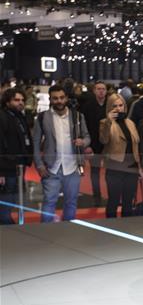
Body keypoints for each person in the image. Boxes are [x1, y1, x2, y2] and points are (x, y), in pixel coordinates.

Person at [33, 85, 90, 222]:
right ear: (50, 99)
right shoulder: (42, 118)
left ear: (66, 98)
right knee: (49, 202)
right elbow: (35, 144)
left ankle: (68, 232)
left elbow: (88, 137)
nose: (59, 101)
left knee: (71, 202)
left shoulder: (77, 116)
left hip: (73, 167)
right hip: (51, 167)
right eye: (55, 98)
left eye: (61, 98)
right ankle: (46, 233)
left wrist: (83, 142)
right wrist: (39, 165)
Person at [100, 93, 142, 218]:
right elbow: (103, 140)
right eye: (115, 106)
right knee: (113, 200)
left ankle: (126, 227)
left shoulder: (130, 123)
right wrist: (109, 121)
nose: (118, 108)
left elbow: (136, 145)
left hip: (131, 167)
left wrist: (139, 166)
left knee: (128, 201)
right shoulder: (105, 122)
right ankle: (111, 228)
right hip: (115, 167)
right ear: (109, 107)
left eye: (121, 105)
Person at [0, 88, 30, 224]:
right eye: (16, 100)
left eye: (22, 100)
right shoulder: (3, 116)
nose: (21, 103)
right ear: (7, 102)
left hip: (19, 165)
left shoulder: (20, 117)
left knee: (14, 197)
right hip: (6, 166)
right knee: (7, 197)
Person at [80, 80, 108, 205]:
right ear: (94, 91)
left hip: (108, 145)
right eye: (98, 89)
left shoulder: (110, 105)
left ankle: (111, 195)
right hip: (93, 144)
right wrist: (88, 145)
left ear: (106, 91)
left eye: (103, 89)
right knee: (95, 171)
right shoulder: (88, 106)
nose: (101, 91)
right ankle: (97, 196)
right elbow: (84, 127)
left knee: (110, 171)